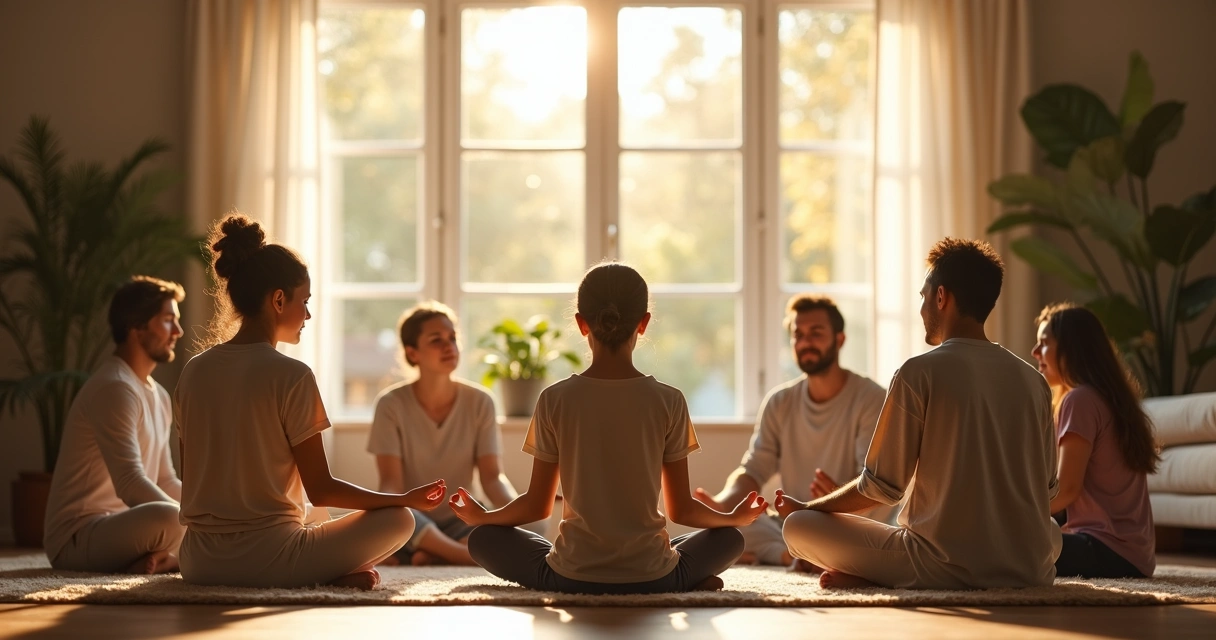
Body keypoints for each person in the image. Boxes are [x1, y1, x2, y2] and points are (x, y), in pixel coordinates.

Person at [449, 262, 766, 594]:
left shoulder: (554, 399)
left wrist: (481, 517)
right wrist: (733, 518)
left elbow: (536, 506)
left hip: (570, 576)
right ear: (643, 324)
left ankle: (649, 577)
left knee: (483, 539)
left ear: (581, 324)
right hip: (652, 574)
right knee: (729, 539)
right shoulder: (669, 400)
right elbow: (682, 509)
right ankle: (680, 579)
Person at [174, 213, 446, 590]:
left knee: (315, 514)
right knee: (400, 518)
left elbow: (191, 475)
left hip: (198, 562)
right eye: (305, 301)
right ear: (279, 300)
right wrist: (403, 497)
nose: (308, 314)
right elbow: (322, 487)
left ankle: (326, 570)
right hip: (269, 559)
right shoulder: (290, 374)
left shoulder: (193, 371)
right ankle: (323, 574)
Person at [776, 237, 1061, 590]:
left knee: (798, 526)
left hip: (937, 566)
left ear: (942, 297)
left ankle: (877, 574)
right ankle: (884, 571)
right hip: (1027, 568)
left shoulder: (918, 373)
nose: (923, 308)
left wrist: (808, 506)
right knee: (1051, 532)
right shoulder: (1034, 382)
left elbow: (880, 488)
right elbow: (1046, 490)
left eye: (924, 297)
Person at [695, 294, 891, 568]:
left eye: (816, 333)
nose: (805, 342)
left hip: (850, 519)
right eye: (798, 334)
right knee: (736, 528)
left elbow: (871, 483)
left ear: (840, 339)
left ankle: (801, 553)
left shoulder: (871, 399)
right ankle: (796, 555)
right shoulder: (779, 402)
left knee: (877, 527)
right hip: (796, 521)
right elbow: (753, 470)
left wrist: (832, 500)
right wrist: (722, 506)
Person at [44, 276, 188, 574]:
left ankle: (163, 560)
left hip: (121, 528)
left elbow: (165, 480)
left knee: (187, 517)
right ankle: (175, 558)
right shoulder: (114, 387)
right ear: (136, 326)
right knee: (172, 519)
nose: (178, 331)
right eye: (167, 320)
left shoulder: (159, 396)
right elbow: (130, 483)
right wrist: (194, 522)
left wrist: (214, 509)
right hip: (77, 536)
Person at [368, 301, 519, 566]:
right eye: (436, 339)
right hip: (413, 519)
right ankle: (460, 555)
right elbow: (391, 485)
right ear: (413, 353)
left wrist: (518, 514)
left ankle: (430, 553)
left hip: (463, 519)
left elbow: (493, 478)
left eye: (453, 338)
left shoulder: (481, 401)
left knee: (511, 528)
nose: (449, 346)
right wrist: (390, 515)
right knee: (394, 516)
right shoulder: (390, 404)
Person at [1032, 303, 1158, 578]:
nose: (1035, 353)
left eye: (1043, 344)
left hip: (1104, 551)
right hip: (1135, 557)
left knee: (1000, 540)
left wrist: (1015, 514)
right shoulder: (1112, 398)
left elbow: (1066, 491)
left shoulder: (1080, 400)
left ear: (1070, 348)